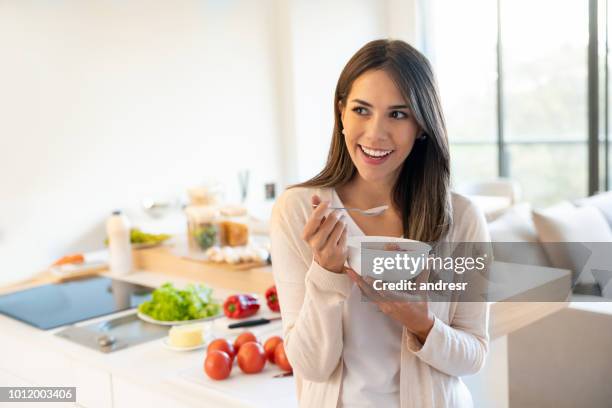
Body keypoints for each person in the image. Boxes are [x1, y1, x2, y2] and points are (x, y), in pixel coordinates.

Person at [269, 39, 490, 408]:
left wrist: (422, 324)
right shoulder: (299, 211)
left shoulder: (462, 219)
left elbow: (474, 355)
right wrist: (326, 274)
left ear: (421, 125)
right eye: (361, 110)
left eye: (398, 114)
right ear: (341, 113)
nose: (375, 133)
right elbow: (310, 366)